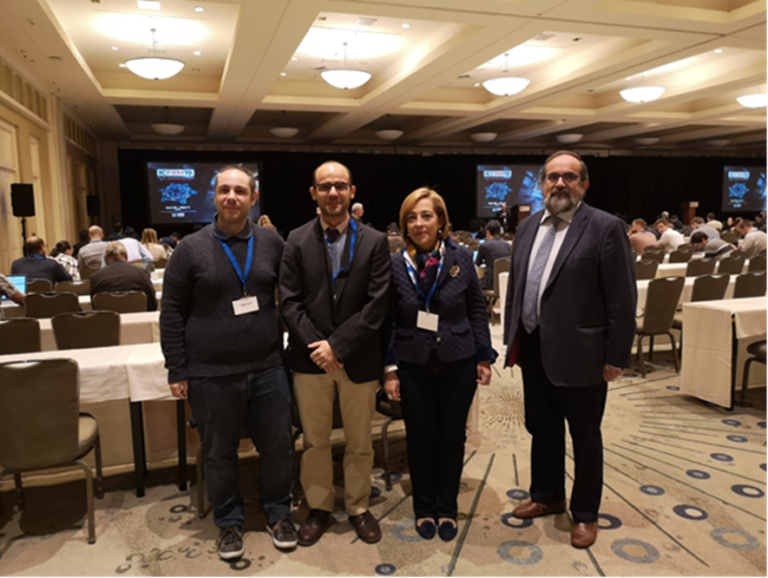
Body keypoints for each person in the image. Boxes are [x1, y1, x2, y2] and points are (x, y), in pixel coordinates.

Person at [161, 165, 296, 561]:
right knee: (219, 453)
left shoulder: (272, 243)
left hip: (268, 366)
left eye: (240, 191)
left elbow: (292, 298)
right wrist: (177, 368)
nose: (232, 197)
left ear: (254, 198)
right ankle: (229, 521)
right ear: (214, 197)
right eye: (224, 190)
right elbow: (172, 313)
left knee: (278, 446)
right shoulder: (190, 249)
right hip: (210, 372)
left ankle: (279, 513)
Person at [503, 151, 636, 549]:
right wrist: (512, 338)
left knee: (584, 436)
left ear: (584, 184)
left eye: (569, 177)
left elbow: (622, 299)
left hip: (583, 355)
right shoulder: (528, 227)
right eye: (552, 177)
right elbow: (518, 288)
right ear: (542, 183)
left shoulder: (605, 227)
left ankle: (585, 513)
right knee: (541, 428)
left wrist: (615, 357)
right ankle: (547, 495)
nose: (559, 183)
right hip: (534, 347)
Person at [279, 161, 391, 547]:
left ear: (352, 192)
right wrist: (321, 348)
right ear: (313, 193)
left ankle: (358, 506)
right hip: (310, 360)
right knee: (315, 442)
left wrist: (338, 346)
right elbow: (289, 302)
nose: (333, 193)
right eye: (325, 186)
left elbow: (377, 305)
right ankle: (319, 507)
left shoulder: (375, 241)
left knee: (360, 441)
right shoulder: (295, 240)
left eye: (340, 186)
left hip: (358, 358)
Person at [383, 188, 495, 542]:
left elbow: (476, 309)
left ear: (441, 220)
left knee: (451, 437)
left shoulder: (461, 258)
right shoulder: (396, 264)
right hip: (412, 361)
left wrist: (483, 355)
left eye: (426, 216)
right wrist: (389, 369)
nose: (419, 224)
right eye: (412, 218)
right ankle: (424, 507)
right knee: (420, 437)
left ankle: (446, 507)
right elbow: (387, 319)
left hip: (458, 358)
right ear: (405, 224)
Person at [90, 242, 157, 311]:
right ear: (126, 256)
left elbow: (94, 307)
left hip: (108, 317)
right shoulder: (141, 274)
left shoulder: (95, 277)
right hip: (138, 316)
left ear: (106, 258)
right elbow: (152, 304)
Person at [474, 219, 511, 290]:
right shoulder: (508, 245)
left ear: (488, 232)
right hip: (506, 282)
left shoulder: (485, 245)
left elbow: (477, 263)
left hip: (490, 283)